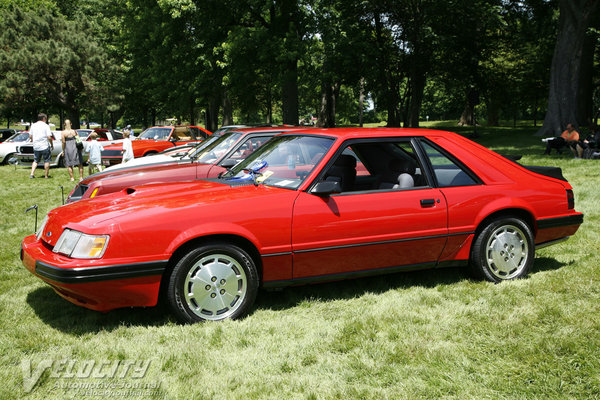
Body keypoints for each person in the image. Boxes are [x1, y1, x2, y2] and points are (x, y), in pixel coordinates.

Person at [29, 113, 53, 179]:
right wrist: (51, 144)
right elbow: (49, 137)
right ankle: (46, 175)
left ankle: (32, 174)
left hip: (36, 146)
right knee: (47, 160)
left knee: (36, 160)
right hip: (44, 145)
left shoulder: (33, 125)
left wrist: (32, 140)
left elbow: (30, 135)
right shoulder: (46, 126)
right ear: (44, 119)